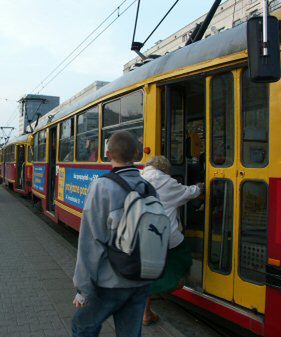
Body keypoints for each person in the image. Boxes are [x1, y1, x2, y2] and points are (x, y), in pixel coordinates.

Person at [72, 131, 151, 337]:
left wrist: (83, 289)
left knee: (82, 327)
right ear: (137, 153)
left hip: (110, 282)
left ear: (107, 154)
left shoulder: (102, 186)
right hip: (141, 280)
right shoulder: (148, 187)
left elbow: (90, 242)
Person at [141, 155, 203, 325]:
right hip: (166, 238)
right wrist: (199, 187)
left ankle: (146, 313)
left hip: (141, 238)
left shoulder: (138, 179)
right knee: (183, 259)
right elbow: (189, 192)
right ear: (164, 170)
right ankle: (168, 287)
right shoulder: (167, 182)